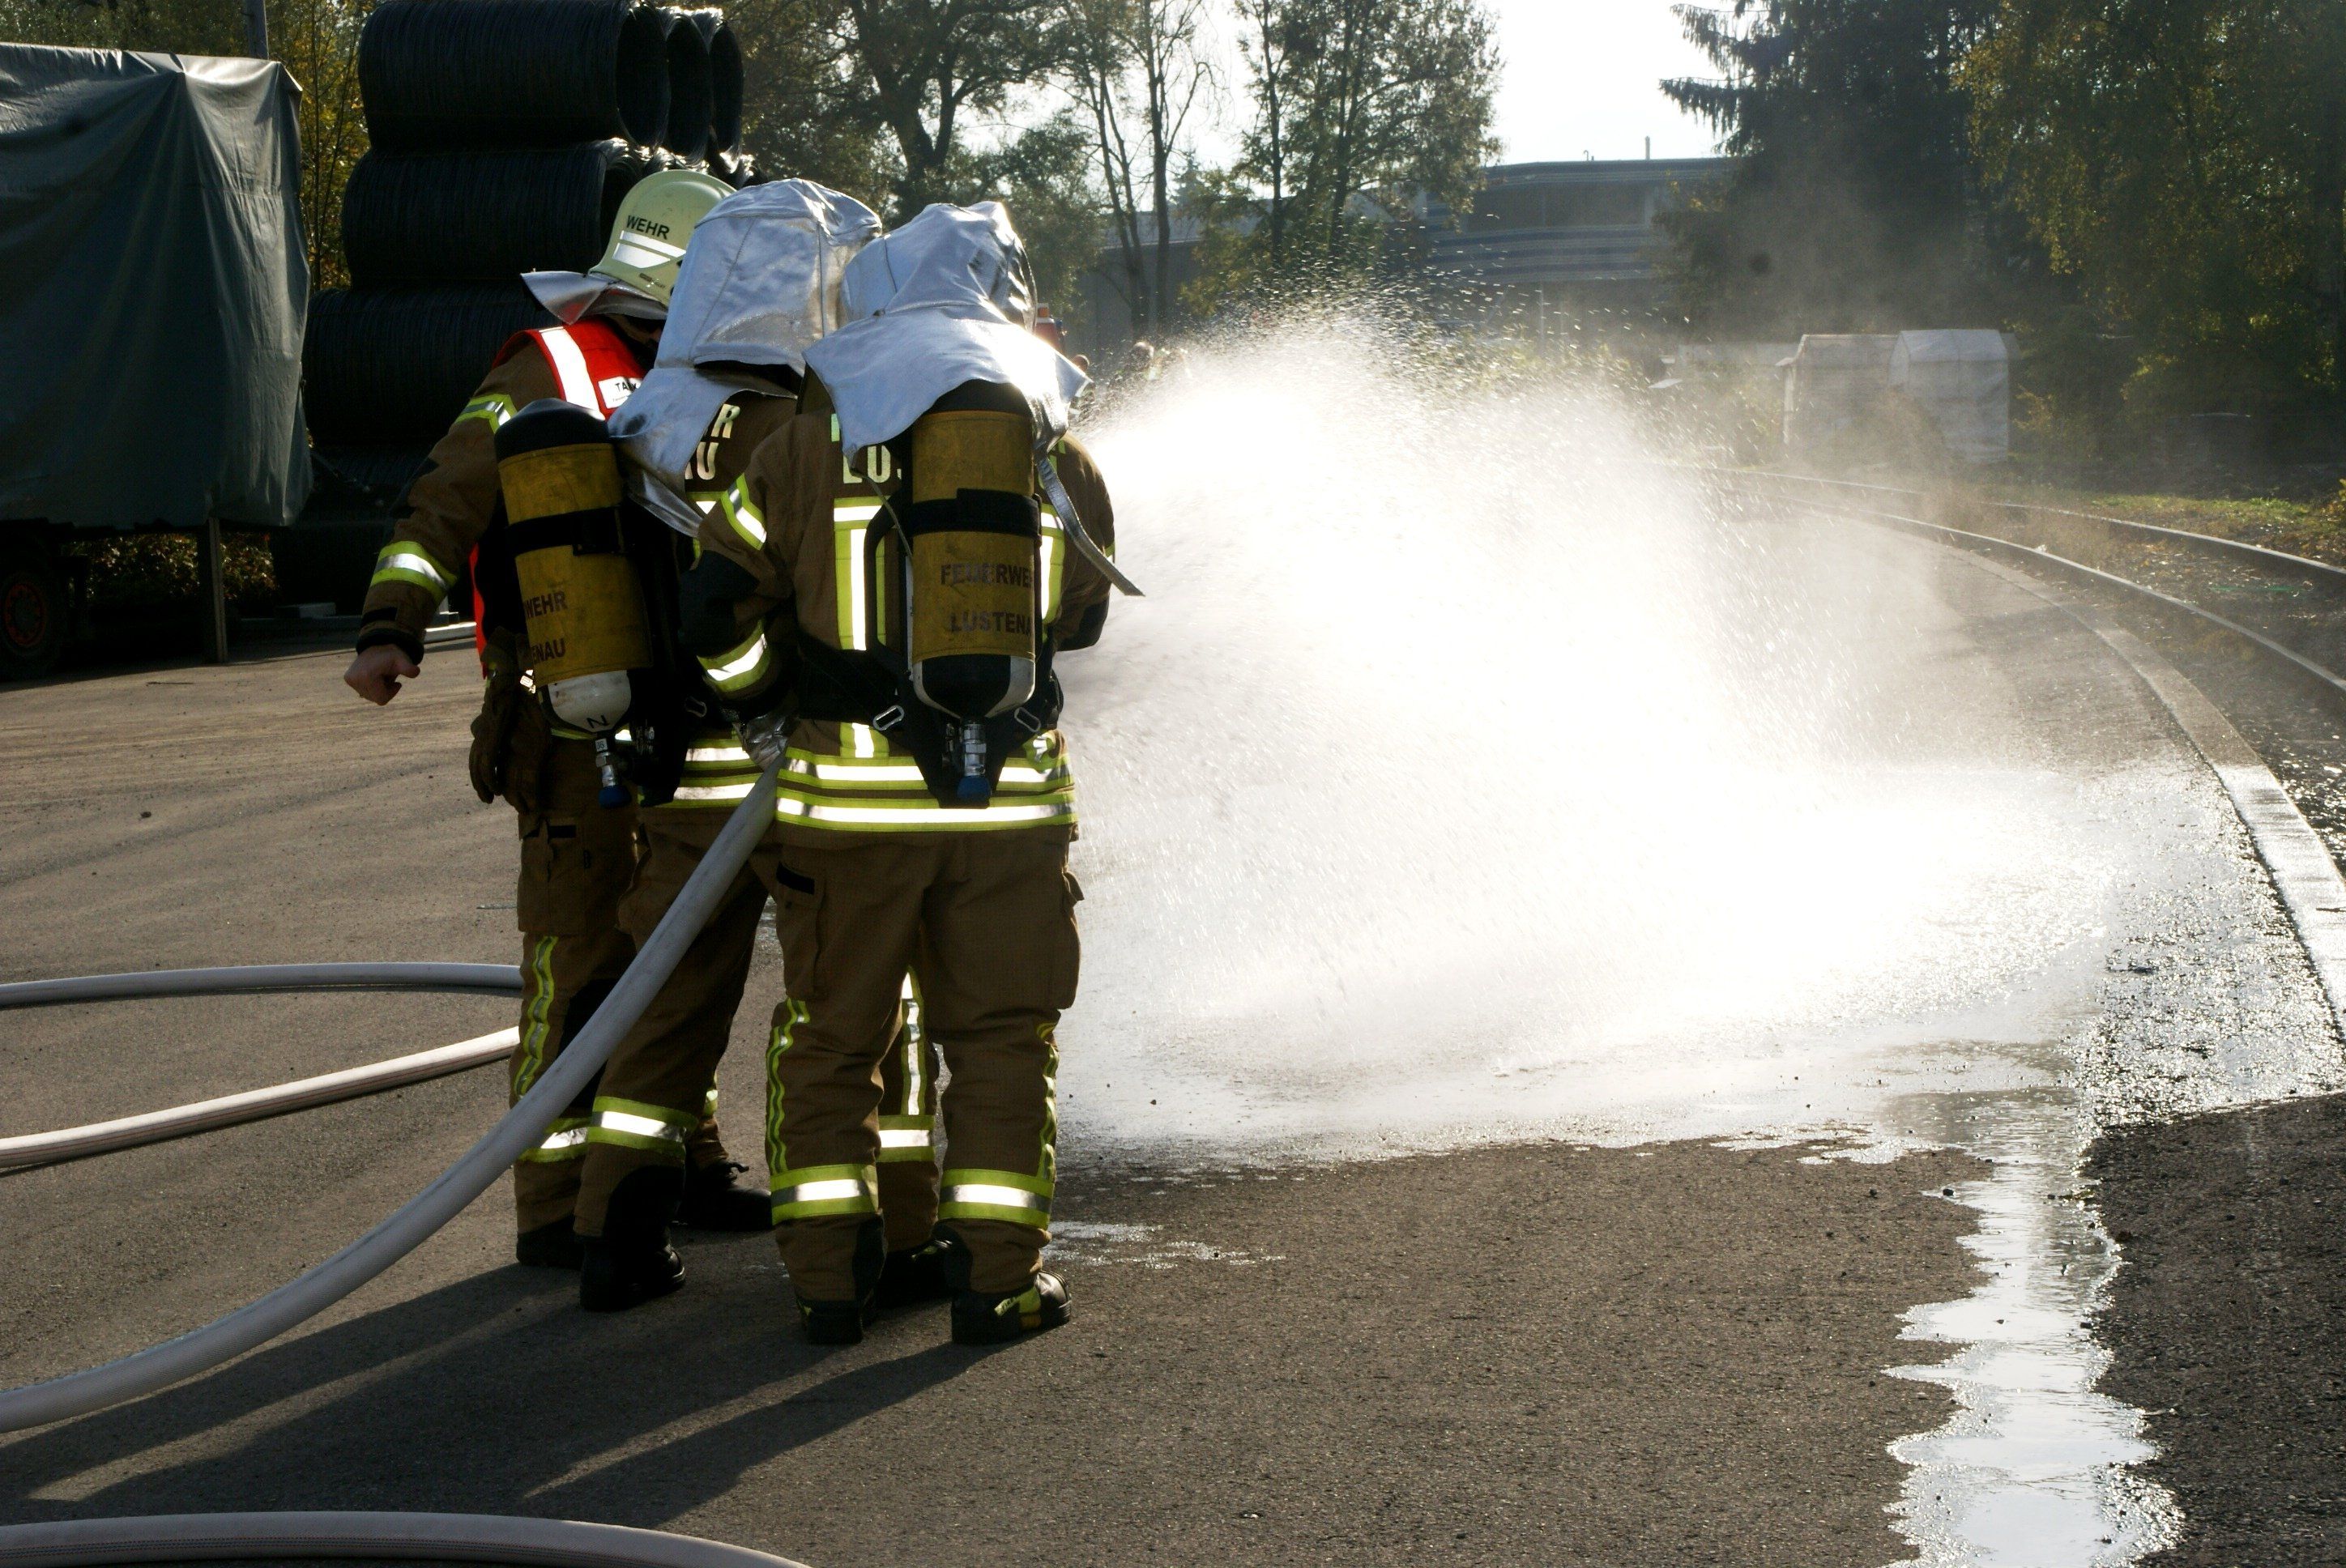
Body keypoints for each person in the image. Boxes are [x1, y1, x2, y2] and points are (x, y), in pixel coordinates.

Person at [684, 202, 1128, 1345]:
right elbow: (1082, 620)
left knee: (832, 1042)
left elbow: (712, 606)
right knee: (1001, 1045)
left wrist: (763, 703)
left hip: (845, 818)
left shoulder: (803, 446)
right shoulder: (1049, 443)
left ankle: (830, 1285)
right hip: (1009, 813)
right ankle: (999, 1284)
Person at [342, 170, 770, 1266]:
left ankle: (674, 1165)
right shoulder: (553, 363)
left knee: (673, 950)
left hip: (683, 712)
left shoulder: (701, 373)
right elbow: (447, 494)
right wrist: (392, 624)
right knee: (580, 959)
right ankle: (555, 1203)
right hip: (571, 711)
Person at [556, 182, 951, 1316]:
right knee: (855, 1004)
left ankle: (614, 1236)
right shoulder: (807, 425)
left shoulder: (641, 413)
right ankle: (885, 1235)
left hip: (680, 771)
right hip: (801, 766)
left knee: (667, 1004)